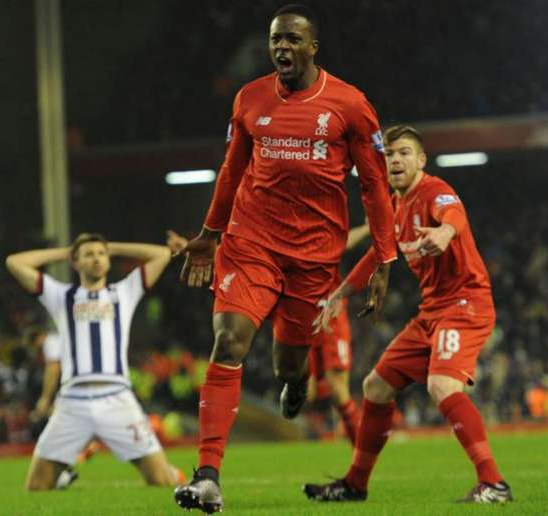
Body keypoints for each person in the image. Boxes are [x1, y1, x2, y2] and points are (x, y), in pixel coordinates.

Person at [173, 4, 397, 513]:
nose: (282, 48)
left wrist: (384, 259)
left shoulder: (350, 105)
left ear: (312, 47)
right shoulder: (250, 100)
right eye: (276, 39)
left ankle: (295, 385)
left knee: (291, 364)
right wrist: (209, 234)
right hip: (250, 243)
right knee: (228, 339)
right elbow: (230, 172)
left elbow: (375, 187)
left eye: (293, 39)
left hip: (314, 259)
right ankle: (207, 476)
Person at [304, 125, 513, 504]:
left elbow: (453, 212)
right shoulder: (395, 207)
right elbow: (376, 255)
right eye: (389, 155)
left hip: (465, 304)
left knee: (441, 385)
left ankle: (493, 484)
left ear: (421, 160)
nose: (396, 160)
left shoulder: (432, 190)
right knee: (375, 387)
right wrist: (340, 293)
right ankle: (355, 484)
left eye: (404, 153)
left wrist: (446, 233)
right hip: (431, 312)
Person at [6, 232, 186, 490]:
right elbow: (14, 262)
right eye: (88, 255)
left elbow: (162, 254)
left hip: (116, 398)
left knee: (159, 480)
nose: (96, 259)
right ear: (76, 263)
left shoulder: (124, 292)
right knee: (37, 487)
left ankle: (169, 472)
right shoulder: (61, 296)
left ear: (108, 260)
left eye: (101, 254)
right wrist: (65, 252)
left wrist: (113, 246)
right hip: (72, 402)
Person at [307, 223, 370, 445]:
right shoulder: (291, 250)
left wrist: (368, 228)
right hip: (308, 327)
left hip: (333, 324)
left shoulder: (325, 246)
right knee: (308, 393)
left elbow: (347, 241)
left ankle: (361, 446)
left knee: (337, 387)